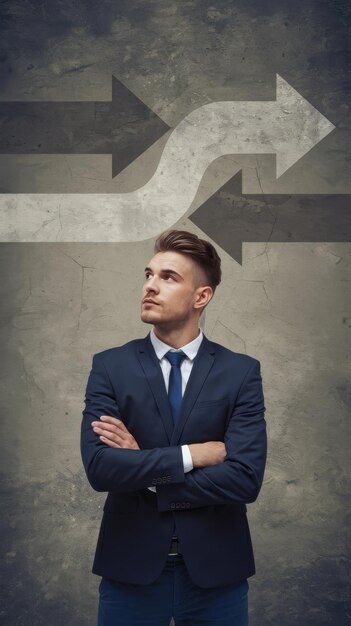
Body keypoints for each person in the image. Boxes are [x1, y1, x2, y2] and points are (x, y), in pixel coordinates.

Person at [80, 229, 267, 626]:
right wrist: (191, 455)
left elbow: (244, 480)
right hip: (130, 571)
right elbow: (101, 468)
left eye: (168, 277)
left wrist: (145, 469)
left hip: (218, 574)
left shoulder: (241, 373)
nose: (150, 286)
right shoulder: (110, 367)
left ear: (202, 296)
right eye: (149, 274)